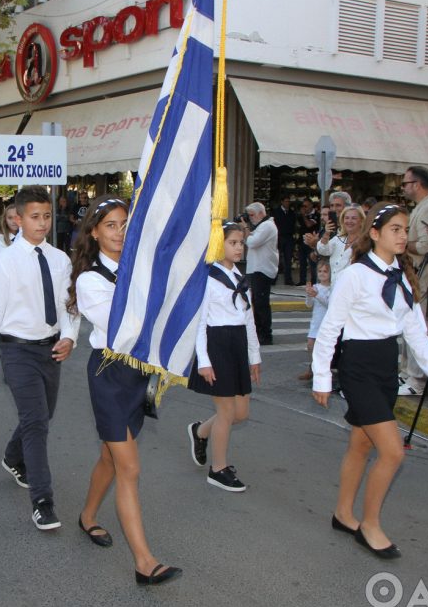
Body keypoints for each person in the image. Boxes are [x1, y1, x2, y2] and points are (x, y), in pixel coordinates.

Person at [313, 203, 428, 559]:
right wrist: (322, 377)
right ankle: (370, 525)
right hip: (358, 366)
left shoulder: (402, 277)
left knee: (361, 445)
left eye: (405, 229)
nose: (403, 236)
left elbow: (416, 333)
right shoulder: (355, 275)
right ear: (375, 234)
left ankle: (343, 514)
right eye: (395, 229)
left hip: (387, 366)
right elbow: (331, 328)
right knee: (391, 452)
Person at [67, 197, 182, 585]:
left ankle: (86, 516)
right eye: (111, 225)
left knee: (111, 460)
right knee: (129, 467)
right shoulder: (89, 279)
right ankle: (144, 562)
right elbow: (120, 327)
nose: (119, 232)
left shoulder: (140, 270)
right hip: (110, 375)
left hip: (138, 376)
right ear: (95, 231)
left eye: (124, 224)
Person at [0, 186, 80, 531]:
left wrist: (69, 336)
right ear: (18, 219)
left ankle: (12, 457)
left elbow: (69, 305)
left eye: (47, 216)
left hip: (50, 349)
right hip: (16, 350)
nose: (43, 223)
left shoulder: (60, 259)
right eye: (35, 217)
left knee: (43, 415)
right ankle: (42, 500)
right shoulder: (7, 262)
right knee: (35, 422)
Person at [186, 221, 262, 493]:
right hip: (217, 345)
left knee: (241, 413)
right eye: (233, 242)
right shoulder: (207, 278)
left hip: (238, 344)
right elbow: (200, 323)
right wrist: (204, 360)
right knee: (227, 412)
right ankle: (218, 469)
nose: (239, 247)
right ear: (219, 245)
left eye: (241, 242)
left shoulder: (240, 277)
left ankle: (200, 431)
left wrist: (254, 355)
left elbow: (249, 318)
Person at [397, 166, 428, 396]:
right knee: (408, 323)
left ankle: (416, 379)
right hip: (413, 274)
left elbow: (425, 246)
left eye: (406, 183)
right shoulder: (421, 208)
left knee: (418, 325)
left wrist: (402, 245)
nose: (404, 187)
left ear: (417, 184)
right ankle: (407, 372)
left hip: (422, 274)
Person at [243, 202, 277, 345]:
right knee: (257, 302)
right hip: (257, 268)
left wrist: (245, 228)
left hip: (262, 269)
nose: (250, 218)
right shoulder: (262, 226)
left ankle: (265, 334)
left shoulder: (267, 226)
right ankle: (259, 332)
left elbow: (252, 242)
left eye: (251, 215)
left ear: (261, 213)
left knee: (261, 303)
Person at [299, 259, 332, 381]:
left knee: (324, 348)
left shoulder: (331, 289)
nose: (322, 273)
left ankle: (322, 369)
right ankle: (312, 368)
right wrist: (309, 294)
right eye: (320, 271)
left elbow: (329, 304)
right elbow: (308, 304)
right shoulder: (316, 287)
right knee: (310, 345)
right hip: (316, 322)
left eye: (325, 271)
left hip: (326, 322)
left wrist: (316, 295)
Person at [315, 205, 364, 278]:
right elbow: (323, 250)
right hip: (334, 287)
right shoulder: (338, 239)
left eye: (354, 218)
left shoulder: (365, 242)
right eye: (346, 218)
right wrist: (327, 233)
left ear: (361, 221)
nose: (349, 221)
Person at [272, 197, 297, 285]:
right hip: (279, 237)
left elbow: (293, 223)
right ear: (282, 202)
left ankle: (288, 279)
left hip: (289, 237)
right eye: (286, 201)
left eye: (288, 201)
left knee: (288, 259)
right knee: (276, 259)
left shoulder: (291, 212)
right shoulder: (276, 212)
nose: (287, 203)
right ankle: (273, 278)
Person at [296, 198, 319, 284]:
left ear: (311, 205)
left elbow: (309, 224)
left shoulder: (316, 215)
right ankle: (302, 280)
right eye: (303, 206)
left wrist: (304, 215)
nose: (304, 208)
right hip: (302, 242)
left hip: (311, 243)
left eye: (306, 206)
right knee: (302, 263)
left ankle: (314, 281)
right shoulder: (301, 216)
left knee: (312, 263)